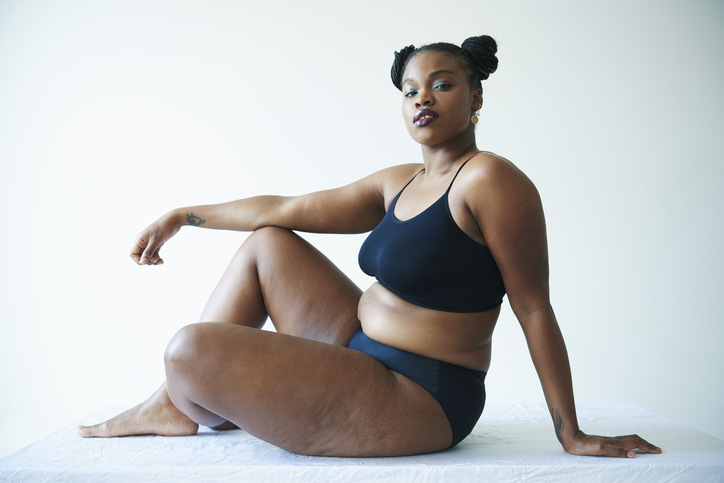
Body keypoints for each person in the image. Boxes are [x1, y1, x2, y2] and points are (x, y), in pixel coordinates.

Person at [77, 35, 661, 458]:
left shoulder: (490, 181)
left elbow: (532, 306)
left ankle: (182, 400)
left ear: (476, 97)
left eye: (441, 84)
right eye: (410, 90)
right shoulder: (399, 180)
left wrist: (572, 433)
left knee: (188, 349)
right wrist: (184, 215)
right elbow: (284, 209)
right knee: (270, 244)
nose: (422, 98)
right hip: (358, 350)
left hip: (421, 394)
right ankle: (170, 405)